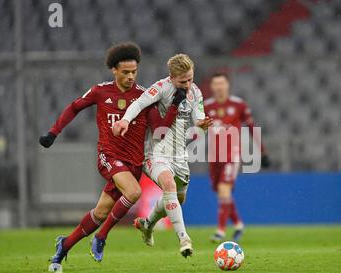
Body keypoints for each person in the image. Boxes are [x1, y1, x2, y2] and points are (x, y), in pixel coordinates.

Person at [40, 42, 179, 270]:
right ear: (114, 70)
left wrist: (174, 105)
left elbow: (159, 128)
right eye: (125, 72)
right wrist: (54, 132)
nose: (130, 76)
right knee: (134, 192)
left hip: (133, 163)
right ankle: (102, 237)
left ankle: (64, 245)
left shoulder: (145, 96)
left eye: (134, 72)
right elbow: (74, 107)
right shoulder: (100, 91)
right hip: (109, 156)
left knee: (100, 212)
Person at [113, 54, 213, 257]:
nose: (187, 84)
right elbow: (139, 104)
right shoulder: (161, 87)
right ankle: (184, 239)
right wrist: (125, 120)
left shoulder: (195, 92)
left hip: (180, 156)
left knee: (177, 198)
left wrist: (202, 126)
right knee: (169, 185)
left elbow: (199, 123)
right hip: (155, 152)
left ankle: (147, 224)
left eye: (190, 79)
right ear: (172, 77)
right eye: (182, 81)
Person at [204, 73, 270, 242]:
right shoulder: (206, 106)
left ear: (227, 86)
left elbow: (251, 127)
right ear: (212, 87)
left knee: (224, 189)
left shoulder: (238, 105)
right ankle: (239, 223)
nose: (219, 87)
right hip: (214, 155)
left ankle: (220, 230)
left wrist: (262, 151)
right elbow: (198, 130)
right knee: (221, 192)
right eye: (216, 84)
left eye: (222, 83)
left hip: (231, 154)